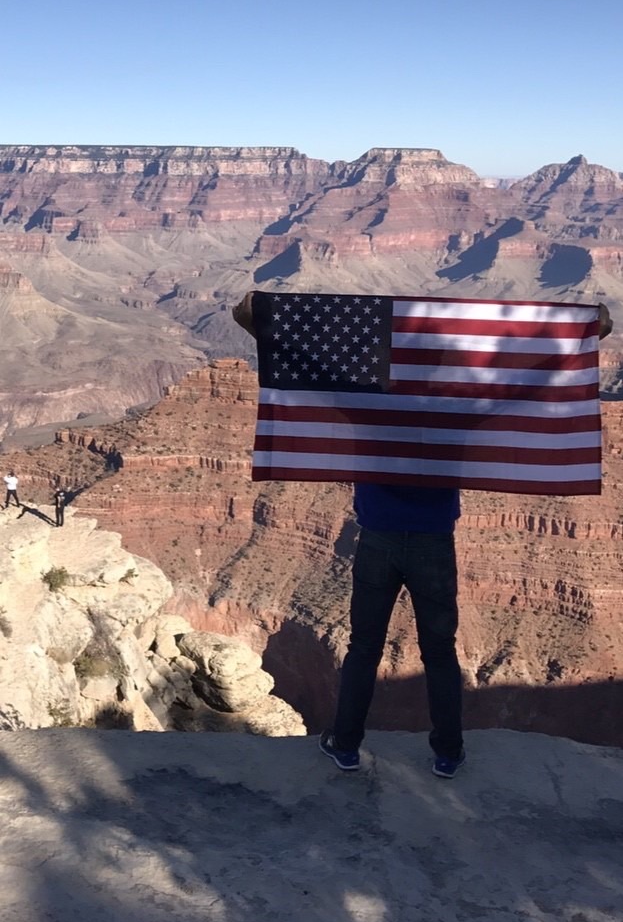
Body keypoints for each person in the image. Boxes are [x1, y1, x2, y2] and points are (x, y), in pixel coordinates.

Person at [233, 292, 614, 779]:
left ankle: (346, 745)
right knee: (440, 651)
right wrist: (587, 330)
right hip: (434, 542)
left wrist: (256, 315)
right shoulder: (460, 411)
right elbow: (530, 379)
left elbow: (296, 356)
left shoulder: (368, 402)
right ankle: (448, 753)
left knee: (363, 647)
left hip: (377, 540)